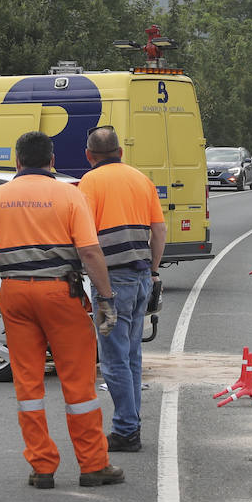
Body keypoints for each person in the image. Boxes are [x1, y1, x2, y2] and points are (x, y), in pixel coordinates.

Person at [0, 130, 124, 490]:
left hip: (15, 295)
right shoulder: (70, 195)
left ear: (17, 162)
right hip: (60, 294)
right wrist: (105, 299)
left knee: (28, 383)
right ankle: (93, 465)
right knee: (78, 381)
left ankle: (42, 466)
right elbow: (89, 252)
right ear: (52, 161)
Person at [79, 126, 166, 454]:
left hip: (111, 284)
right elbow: (158, 229)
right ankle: (132, 422)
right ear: (120, 153)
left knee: (113, 360)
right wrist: (154, 271)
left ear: (89, 156)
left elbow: (85, 239)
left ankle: (127, 430)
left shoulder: (88, 183)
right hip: (142, 277)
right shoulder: (141, 180)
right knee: (131, 356)